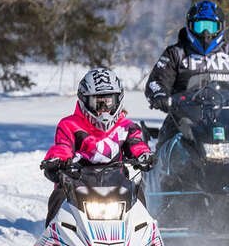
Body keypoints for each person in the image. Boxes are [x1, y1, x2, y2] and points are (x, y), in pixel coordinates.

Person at [144, 0, 229, 142]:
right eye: (200, 26)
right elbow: (156, 81)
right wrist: (160, 96)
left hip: (224, 123)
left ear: (220, 27)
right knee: (165, 150)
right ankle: (159, 163)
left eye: (211, 27)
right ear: (190, 27)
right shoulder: (176, 53)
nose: (206, 33)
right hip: (181, 123)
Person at [39, 68, 155, 224]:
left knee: (138, 195)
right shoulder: (70, 125)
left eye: (108, 102)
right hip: (76, 184)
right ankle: (54, 238)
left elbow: (136, 144)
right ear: (84, 101)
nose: (103, 110)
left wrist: (143, 156)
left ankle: (144, 238)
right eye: (97, 103)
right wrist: (58, 160)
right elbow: (63, 146)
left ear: (118, 100)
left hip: (117, 183)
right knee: (59, 196)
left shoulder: (127, 127)